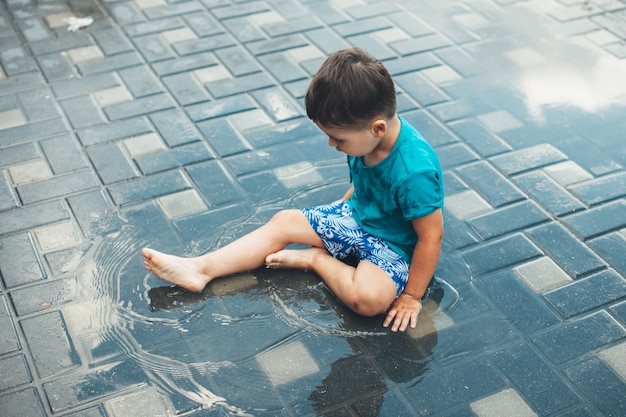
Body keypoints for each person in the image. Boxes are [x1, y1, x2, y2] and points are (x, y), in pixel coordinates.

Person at [142, 47, 444, 332]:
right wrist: (333, 225)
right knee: (284, 222)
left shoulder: (414, 172)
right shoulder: (366, 137)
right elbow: (363, 185)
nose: (332, 145)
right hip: (357, 218)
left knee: (367, 301)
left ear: (377, 128)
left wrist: (412, 296)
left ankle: (315, 260)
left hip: (394, 248)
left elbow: (431, 238)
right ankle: (200, 269)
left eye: (338, 139)